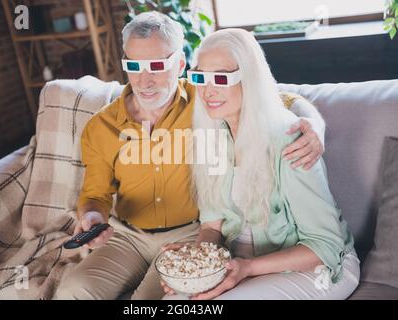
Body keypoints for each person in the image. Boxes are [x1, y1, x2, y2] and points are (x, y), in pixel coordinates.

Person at [55, 12, 326, 300]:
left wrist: (315, 126)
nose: (144, 81)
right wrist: (92, 218)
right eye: (134, 66)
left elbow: (274, 97)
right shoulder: (100, 126)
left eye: (157, 66)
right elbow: (94, 194)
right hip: (127, 237)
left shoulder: (207, 98)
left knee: (152, 302)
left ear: (180, 64)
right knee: (73, 291)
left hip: (191, 235)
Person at [161, 28, 360, 300]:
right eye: (201, 78)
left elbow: (324, 246)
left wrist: (247, 268)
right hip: (242, 263)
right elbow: (212, 227)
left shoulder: (291, 139)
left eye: (221, 78)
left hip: (317, 267)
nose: (208, 90)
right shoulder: (209, 137)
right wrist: (198, 265)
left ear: (250, 80)